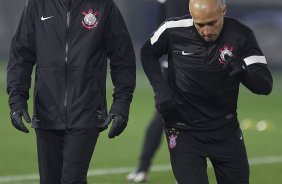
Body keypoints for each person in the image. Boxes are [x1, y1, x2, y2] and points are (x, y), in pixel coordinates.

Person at [141, 0, 273, 183]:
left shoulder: (241, 34)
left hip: (225, 131)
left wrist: (243, 72)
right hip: (183, 130)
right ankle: (142, 167)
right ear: (190, 14)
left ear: (223, 11)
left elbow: (265, 85)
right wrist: (161, 89)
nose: (207, 31)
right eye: (200, 24)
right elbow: (147, 53)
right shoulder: (172, 29)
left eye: (212, 23)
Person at [7, 0, 136, 183]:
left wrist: (122, 104)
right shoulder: (37, 4)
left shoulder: (103, 5)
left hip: (87, 110)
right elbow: (21, 55)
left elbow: (122, 58)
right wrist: (17, 100)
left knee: (73, 179)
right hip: (46, 112)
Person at [126, 0, 189, 183]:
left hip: (181, 63)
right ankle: (144, 167)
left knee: (168, 116)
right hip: (178, 64)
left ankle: (144, 168)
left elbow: (160, 25)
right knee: (166, 115)